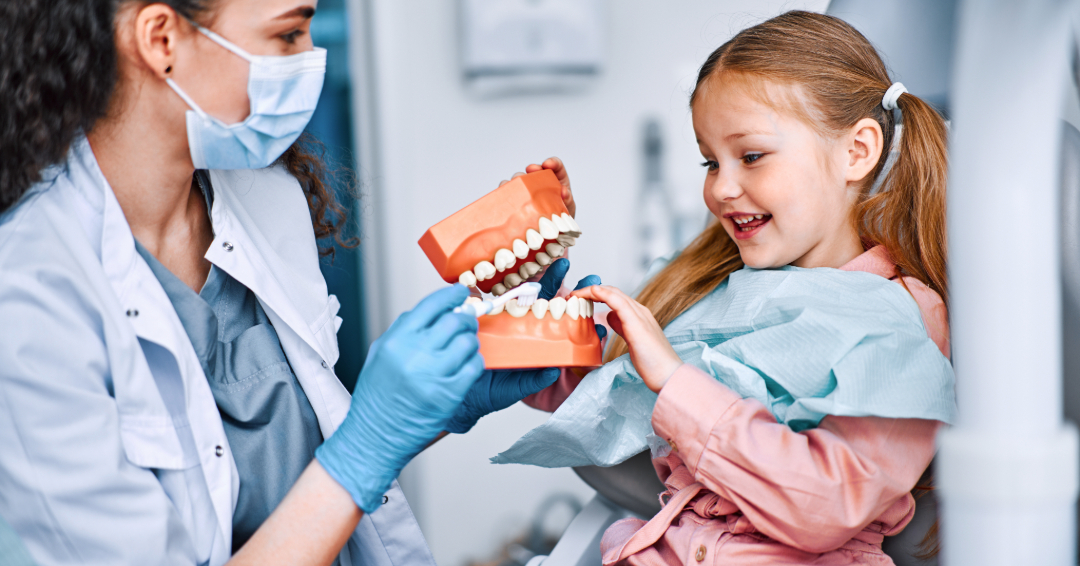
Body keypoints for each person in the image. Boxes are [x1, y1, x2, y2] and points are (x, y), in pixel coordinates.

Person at [0, 1, 592, 565]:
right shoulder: (31, 296)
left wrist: (430, 412)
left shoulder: (266, 201)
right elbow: (347, 463)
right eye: (287, 35)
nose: (313, 56)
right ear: (161, 40)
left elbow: (303, 473)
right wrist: (370, 441)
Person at [528, 11, 953, 565]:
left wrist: (675, 381)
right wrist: (538, 330)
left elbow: (823, 505)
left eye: (751, 156)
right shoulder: (722, 289)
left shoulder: (895, 326)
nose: (721, 188)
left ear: (856, 152)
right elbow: (621, 396)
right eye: (710, 161)